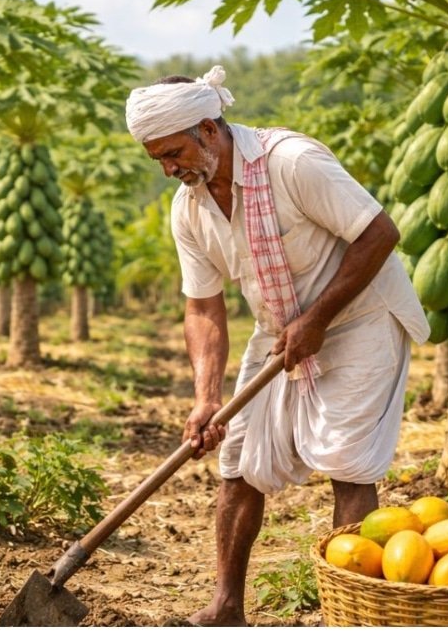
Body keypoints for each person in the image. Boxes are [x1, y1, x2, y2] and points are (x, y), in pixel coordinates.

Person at [125, 66, 429, 626]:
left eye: (174, 154)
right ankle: (226, 607)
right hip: (279, 329)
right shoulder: (189, 209)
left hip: (360, 318)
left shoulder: (291, 162)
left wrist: (317, 319)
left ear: (209, 130)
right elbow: (203, 307)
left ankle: (352, 614)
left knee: (348, 463)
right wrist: (204, 398)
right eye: (159, 161)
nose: (170, 170)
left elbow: (380, 234)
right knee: (238, 462)